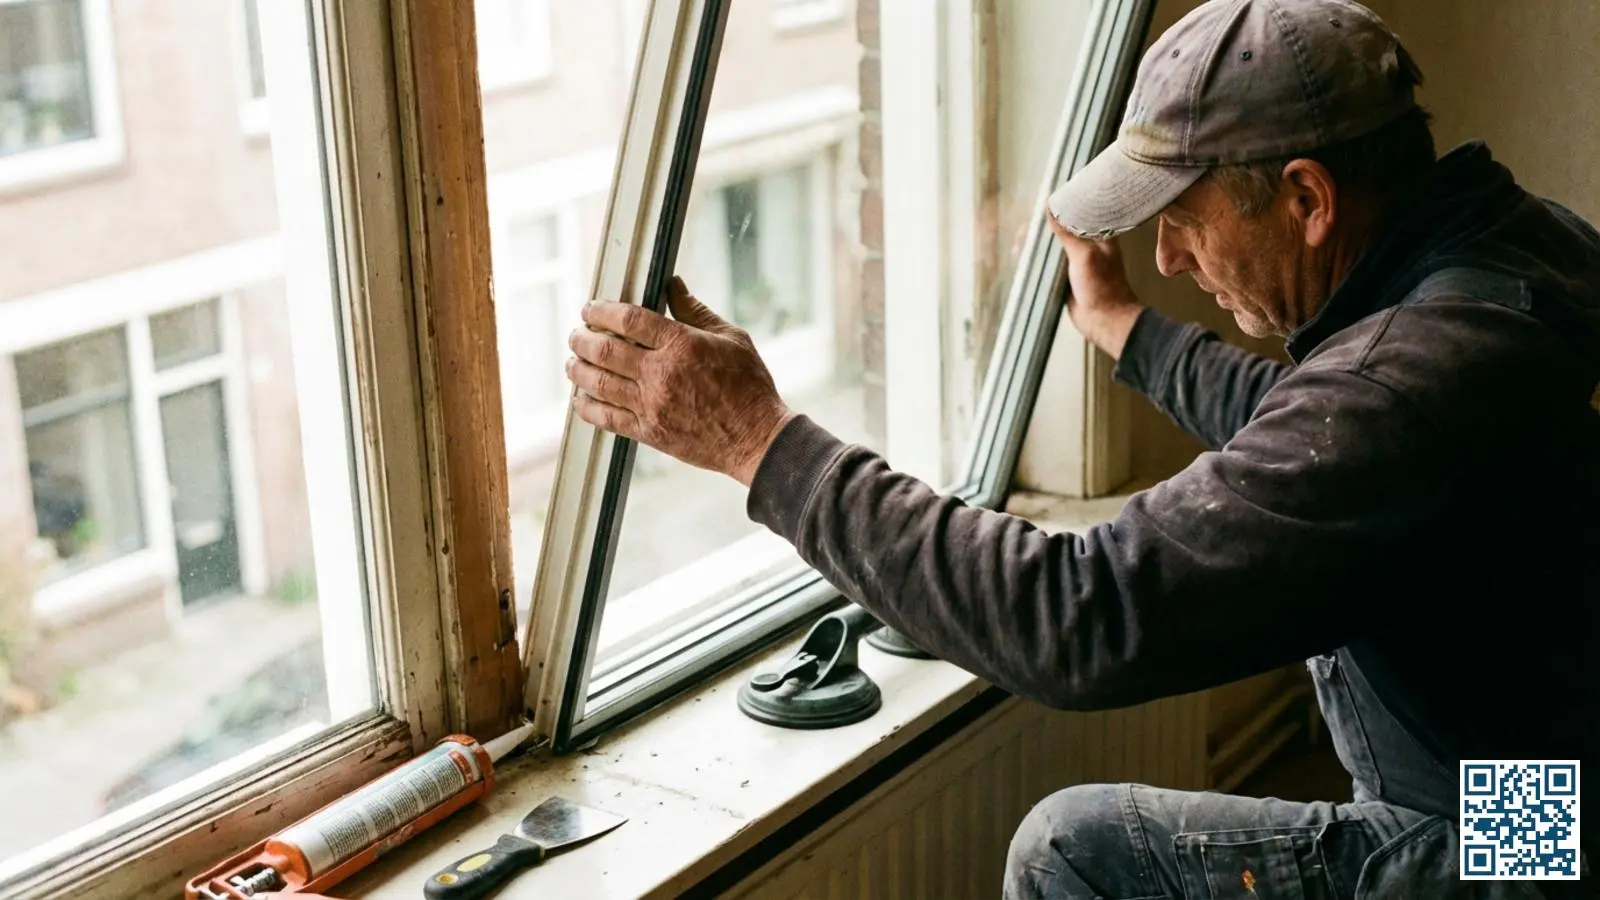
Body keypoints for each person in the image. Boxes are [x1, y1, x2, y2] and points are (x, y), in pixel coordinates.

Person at [563, 0, 1600, 895]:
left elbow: (1081, 614)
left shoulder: (1409, 385)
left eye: (1185, 219)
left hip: (1528, 842)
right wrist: (1123, 329)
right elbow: (1317, 422)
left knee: (1070, 851)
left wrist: (759, 442)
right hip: (1553, 768)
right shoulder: (1507, 254)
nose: (1167, 257)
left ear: (1307, 199)